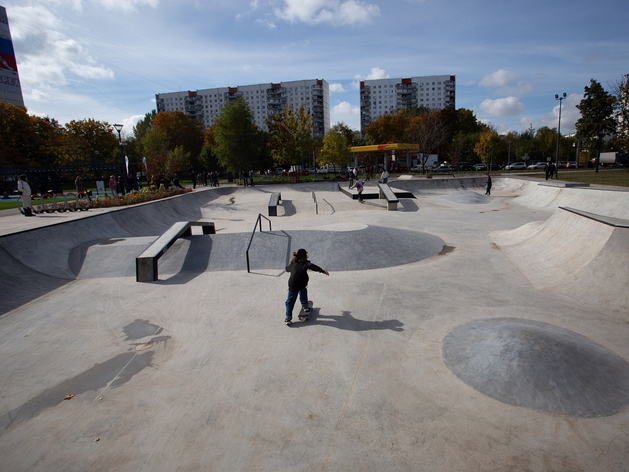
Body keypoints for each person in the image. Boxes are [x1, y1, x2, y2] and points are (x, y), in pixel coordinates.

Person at [284, 249, 329, 325]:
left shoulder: (293, 263)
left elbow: (287, 269)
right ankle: (305, 307)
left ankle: (288, 318)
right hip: (301, 284)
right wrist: (323, 271)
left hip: (293, 285)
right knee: (303, 292)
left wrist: (291, 267)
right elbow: (314, 267)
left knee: (290, 301)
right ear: (305, 256)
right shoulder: (306, 263)